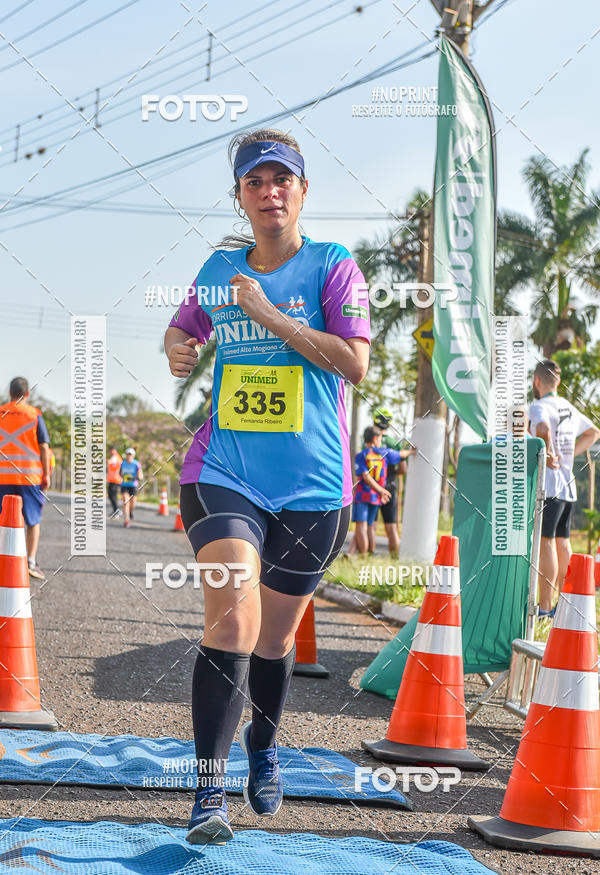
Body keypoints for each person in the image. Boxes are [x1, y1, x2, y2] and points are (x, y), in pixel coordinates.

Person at [164, 128, 370, 844]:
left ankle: (265, 742)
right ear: (242, 198)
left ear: (303, 192)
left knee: (277, 638)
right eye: (256, 182)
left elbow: (354, 363)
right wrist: (179, 349)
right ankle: (207, 792)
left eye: (283, 179)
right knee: (233, 620)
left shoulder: (333, 266)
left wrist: (271, 318)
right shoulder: (219, 268)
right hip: (224, 473)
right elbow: (179, 331)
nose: (270, 191)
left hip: (314, 487)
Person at [529, 359, 600, 615]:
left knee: (546, 542)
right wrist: (568, 457)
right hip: (568, 485)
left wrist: (549, 452)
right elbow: (593, 432)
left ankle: (546, 607)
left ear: (537, 381)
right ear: (557, 381)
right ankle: (568, 605)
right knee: (563, 542)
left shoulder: (538, 406)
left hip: (549, 484)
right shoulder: (567, 406)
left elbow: (543, 429)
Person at [0, 377, 51, 579]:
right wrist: (46, 474)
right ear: (27, 394)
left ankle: (3, 559)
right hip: (29, 477)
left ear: (9, 393)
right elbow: (44, 447)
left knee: (2, 519)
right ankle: (30, 561)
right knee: (33, 520)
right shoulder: (34, 415)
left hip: (2, 477)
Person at [353, 426, 406, 555]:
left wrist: (381, 490)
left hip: (363, 496)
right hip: (375, 497)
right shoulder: (384, 453)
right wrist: (411, 452)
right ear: (376, 438)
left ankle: (363, 557)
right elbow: (401, 455)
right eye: (381, 438)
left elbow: (365, 476)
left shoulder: (361, 455)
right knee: (370, 527)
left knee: (362, 527)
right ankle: (374, 554)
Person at [372, 407, 412, 556]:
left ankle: (367, 557)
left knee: (370, 526)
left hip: (373, 489)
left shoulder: (369, 441)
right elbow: (403, 469)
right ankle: (395, 559)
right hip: (390, 487)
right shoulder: (393, 442)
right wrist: (391, 474)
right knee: (391, 527)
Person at [119, 448, 142, 528]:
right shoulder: (123, 463)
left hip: (133, 486)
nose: (129, 456)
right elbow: (120, 473)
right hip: (124, 485)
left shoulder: (136, 464)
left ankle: (130, 511)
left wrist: (136, 477)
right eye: (128, 454)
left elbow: (141, 476)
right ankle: (126, 521)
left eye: (130, 455)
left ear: (133, 456)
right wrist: (124, 476)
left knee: (133, 504)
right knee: (125, 501)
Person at [107, 446, 122, 518]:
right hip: (113, 480)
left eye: (112, 450)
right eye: (110, 450)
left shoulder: (115, 457)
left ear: (115, 450)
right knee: (112, 496)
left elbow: (110, 461)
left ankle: (117, 511)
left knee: (112, 496)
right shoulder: (115, 457)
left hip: (115, 480)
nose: (111, 452)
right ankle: (116, 510)